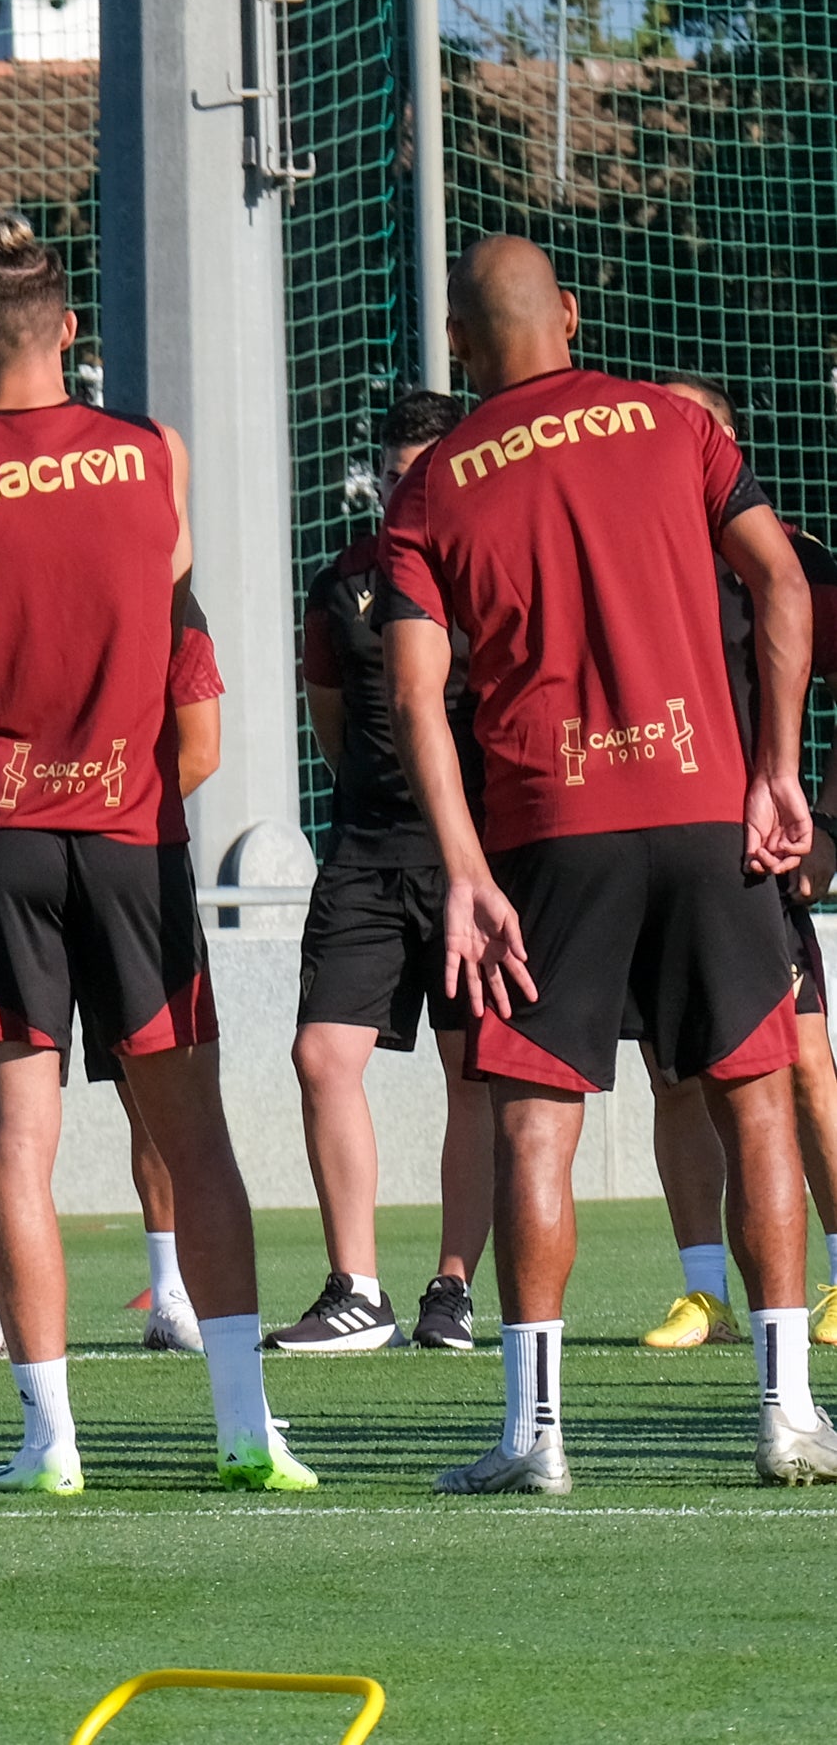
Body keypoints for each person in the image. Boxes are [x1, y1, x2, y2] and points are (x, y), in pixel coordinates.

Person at [383, 235, 837, 1492]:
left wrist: (465, 864)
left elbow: (419, 696)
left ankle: (535, 1435)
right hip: (704, 805)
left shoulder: (431, 488)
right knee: (757, 1104)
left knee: (536, 1124)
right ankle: (789, 1412)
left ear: (459, 346)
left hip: (545, 827)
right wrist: (777, 767)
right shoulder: (671, 423)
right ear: (572, 316)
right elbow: (783, 581)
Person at [0, 213, 308, 1496]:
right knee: (199, 1137)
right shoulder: (150, 453)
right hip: (134, 834)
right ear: (71, 329)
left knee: (16, 1139)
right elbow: (163, 582)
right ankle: (245, 1431)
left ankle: (50, 1441)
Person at [269, 388, 496, 1356]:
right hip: (366, 848)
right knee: (323, 1054)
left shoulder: (499, 568)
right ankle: (355, 1289)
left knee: (474, 1070)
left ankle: (452, 1286)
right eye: (395, 474)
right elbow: (329, 717)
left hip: (481, 852)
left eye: (426, 473)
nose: (407, 491)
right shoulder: (341, 584)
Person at [0, 609, 227, 1362]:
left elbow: (199, 749)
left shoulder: (170, 611)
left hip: (122, 863)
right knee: (0, 1109)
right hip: (16, 856)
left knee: (159, 1099)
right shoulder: (12, 587)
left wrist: (104, 804)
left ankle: (170, 1294)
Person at [624, 375, 837, 1353]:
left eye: (694, 427)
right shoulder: (627, 556)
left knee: (798, 1066)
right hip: (652, 858)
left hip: (757, 861)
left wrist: (826, 824)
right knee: (674, 1075)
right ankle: (701, 1288)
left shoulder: (793, 561)